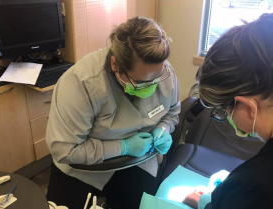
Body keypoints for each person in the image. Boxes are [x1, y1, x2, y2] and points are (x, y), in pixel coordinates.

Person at [45, 17, 181, 209]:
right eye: (141, 83)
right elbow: (66, 150)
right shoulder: (81, 82)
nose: (151, 88)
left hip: (139, 161)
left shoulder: (165, 72)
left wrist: (164, 129)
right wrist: (123, 147)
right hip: (85, 167)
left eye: (157, 79)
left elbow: (172, 112)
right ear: (115, 65)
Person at [184, 13, 273, 209]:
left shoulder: (256, 186)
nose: (227, 118)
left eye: (224, 111)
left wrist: (219, 202)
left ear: (247, 107)